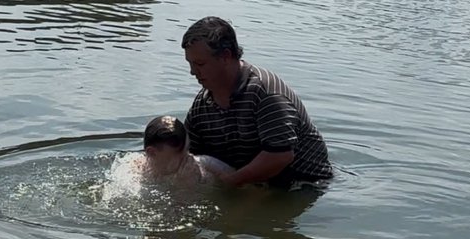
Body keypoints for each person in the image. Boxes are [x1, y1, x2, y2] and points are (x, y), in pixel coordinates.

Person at [181, 17, 333, 188]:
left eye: (200, 64)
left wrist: (229, 184)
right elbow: (185, 153)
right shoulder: (202, 104)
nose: (192, 72)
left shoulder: (265, 93)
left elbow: (280, 156)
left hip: (304, 185)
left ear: (225, 56)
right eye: (190, 64)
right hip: (252, 183)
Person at [139, 115, 234, 188]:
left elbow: (236, 184)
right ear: (152, 153)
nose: (188, 158)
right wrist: (184, 189)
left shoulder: (207, 166)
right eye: (179, 154)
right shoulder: (135, 175)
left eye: (187, 150)